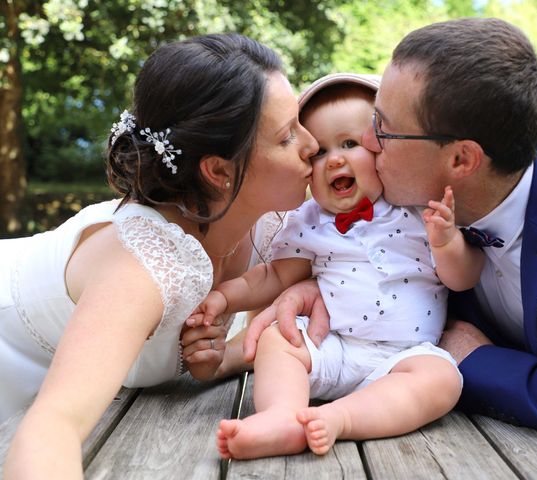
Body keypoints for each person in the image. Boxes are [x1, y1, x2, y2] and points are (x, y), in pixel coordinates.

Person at [243, 18, 537, 455]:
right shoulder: (413, 205)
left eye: (383, 126)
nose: (367, 141)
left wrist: (480, 364)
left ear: (461, 159)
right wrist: (317, 285)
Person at [1, 33, 318, 478]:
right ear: (218, 171)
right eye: (287, 137)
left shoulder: (275, 228)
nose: (313, 144)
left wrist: (230, 354)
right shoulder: (142, 269)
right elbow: (54, 424)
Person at [185, 73, 483, 459]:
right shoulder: (307, 219)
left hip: (403, 356)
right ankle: (283, 416)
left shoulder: (417, 210)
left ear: (382, 150)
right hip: (331, 347)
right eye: (319, 152)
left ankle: (340, 418)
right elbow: (275, 276)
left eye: (349, 143)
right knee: (279, 339)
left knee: (441, 380)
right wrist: (225, 297)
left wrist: (447, 243)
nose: (335, 159)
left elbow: (463, 278)